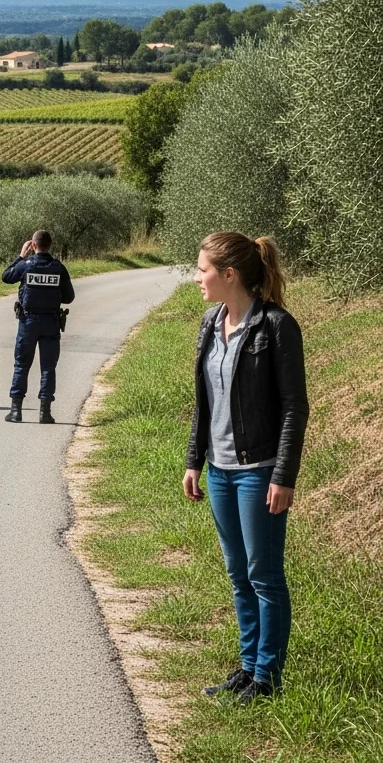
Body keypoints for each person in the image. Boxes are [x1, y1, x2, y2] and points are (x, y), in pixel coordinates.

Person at [183, 232, 308, 703]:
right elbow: (204, 402)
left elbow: (295, 407)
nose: (197, 278)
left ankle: (267, 679)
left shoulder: (276, 326)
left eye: (203, 270)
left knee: (264, 576)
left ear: (229, 274)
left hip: (259, 471)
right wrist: (195, 461)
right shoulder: (210, 322)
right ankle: (249, 666)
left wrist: (283, 476)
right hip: (219, 471)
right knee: (239, 575)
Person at [1, 229, 75, 423]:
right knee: (48, 367)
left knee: (21, 365)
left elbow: (6, 276)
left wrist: (20, 256)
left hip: (28, 322)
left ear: (33, 245)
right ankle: (45, 413)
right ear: (50, 245)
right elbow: (69, 297)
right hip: (51, 322)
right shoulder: (58, 268)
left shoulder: (25, 265)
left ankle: (16, 412)